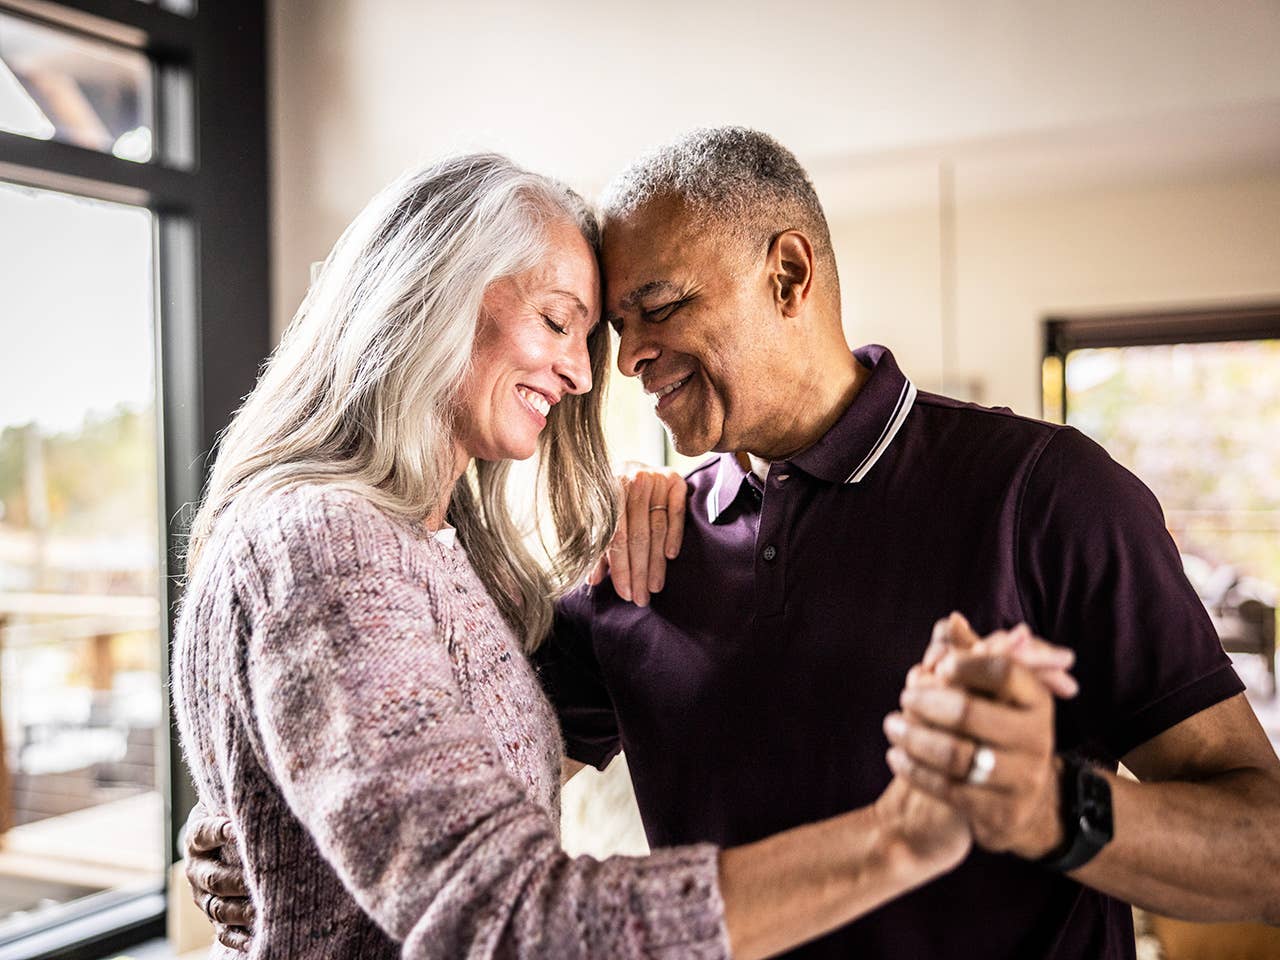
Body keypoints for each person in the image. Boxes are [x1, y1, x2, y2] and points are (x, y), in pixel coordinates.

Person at [187, 130, 1280, 958]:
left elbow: (1264, 848)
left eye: (656, 308)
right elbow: (441, 755)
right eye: (609, 327)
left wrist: (1057, 810)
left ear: (789, 276)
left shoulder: (1048, 494)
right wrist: (270, 799)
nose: (622, 363)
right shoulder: (639, 558)